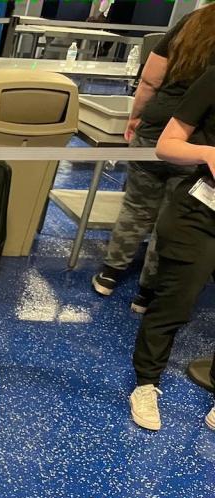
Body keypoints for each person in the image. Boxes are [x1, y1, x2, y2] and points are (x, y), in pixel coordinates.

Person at [92, 6, 215, 313]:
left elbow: (150, 79)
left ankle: (109, 275)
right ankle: (146, 294)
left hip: (156, 126)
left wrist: (135, 116)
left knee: (136, 206)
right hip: (195, 141)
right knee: (169, 218)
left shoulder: (194, 21)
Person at [129, 67, 215, 431]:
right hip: (200, 214)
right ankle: (146, 384)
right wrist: (209, 152)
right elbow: (167, 144)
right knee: (173, 304)